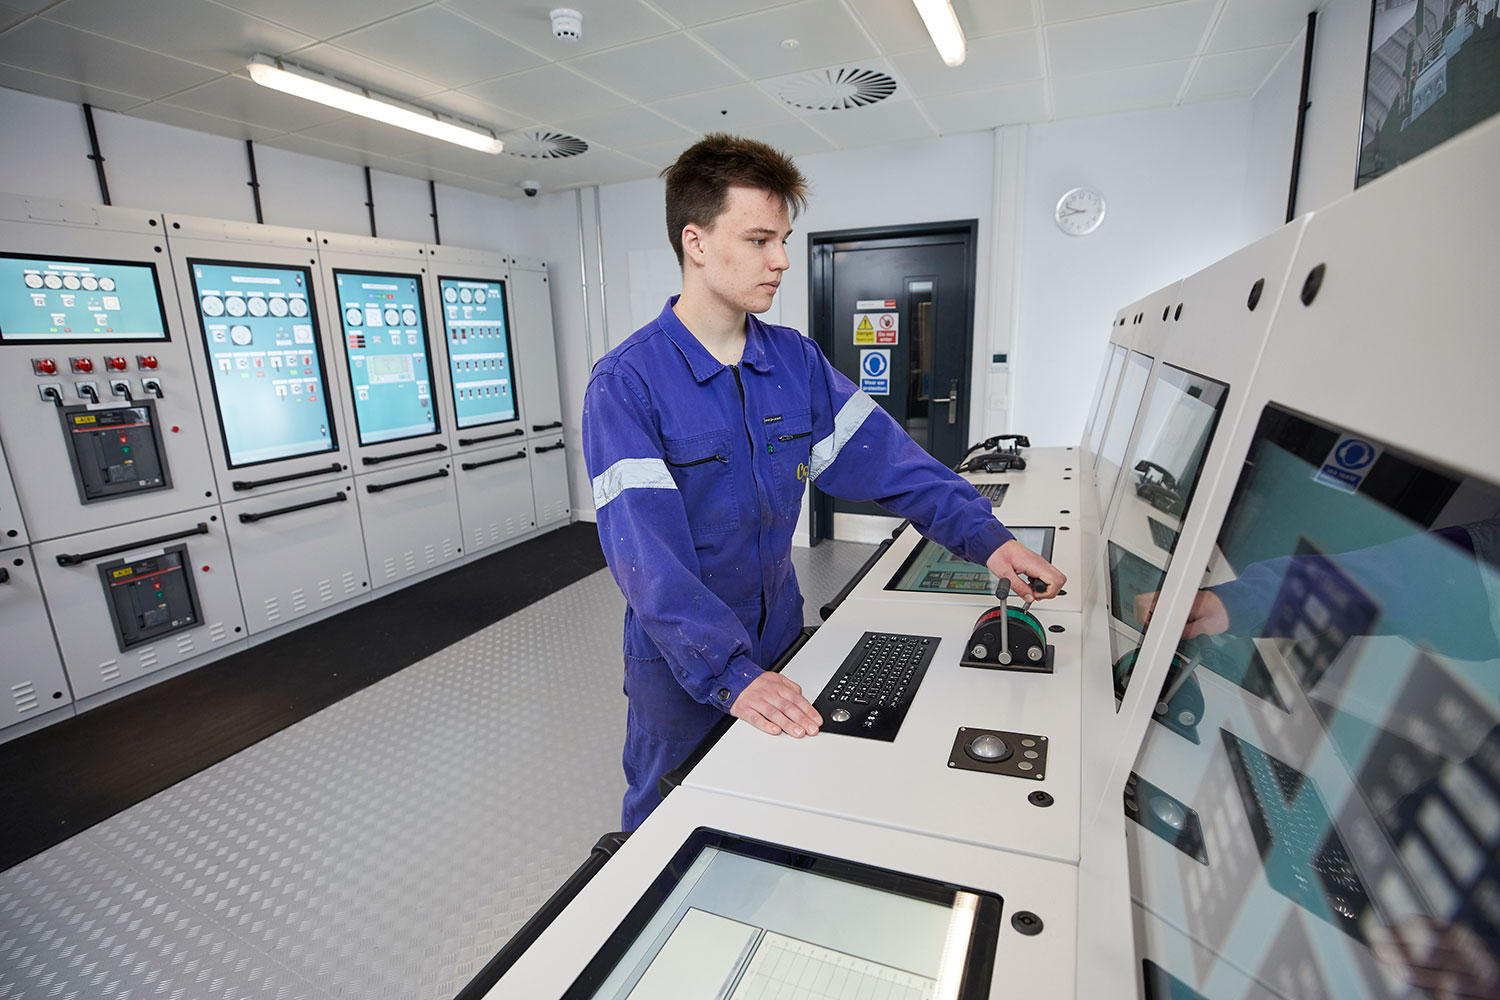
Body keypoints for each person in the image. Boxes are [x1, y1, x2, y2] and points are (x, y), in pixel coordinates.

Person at [582, 134, 1066, 830]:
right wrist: (729, 674)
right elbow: (649, 566)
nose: (780, 261)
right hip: (681, 666)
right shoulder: (627, 384)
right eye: (757, 240)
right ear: (695, 241)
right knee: (668, 825)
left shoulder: (794, 362)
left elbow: (893, 464)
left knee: (775, 805)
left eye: (782, 238)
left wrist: (988, 539)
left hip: (780, 632)